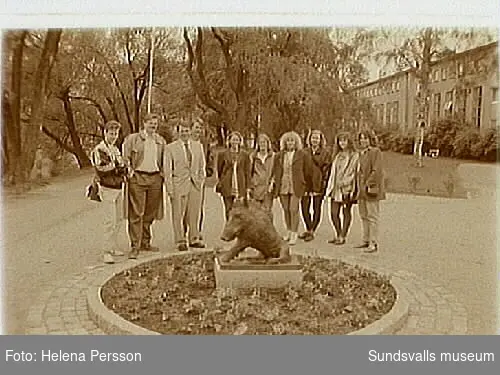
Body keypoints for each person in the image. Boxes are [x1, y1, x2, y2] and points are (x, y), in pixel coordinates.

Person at [122, 113, 167, 259]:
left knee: (150, 212)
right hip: (138, 178)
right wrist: (129, 171)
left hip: (155, 178)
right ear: (144, 123)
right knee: (137, 212)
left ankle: (145, 242)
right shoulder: (133, 139)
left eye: (155, 124)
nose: (153, 126)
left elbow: (165, 159)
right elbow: (125, 157)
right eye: (150, 123)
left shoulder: (160, 141)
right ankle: (135, 246)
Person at [165, 120, 206, 252]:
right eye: (182, 131)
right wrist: (170, 188)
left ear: (190, 131)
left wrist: (200, 180)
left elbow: (202, 166)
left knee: (194, 213)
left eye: (187, 130)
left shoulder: (197, 146)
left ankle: (194, 238)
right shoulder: (170, 148)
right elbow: (167, 170)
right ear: (178, 132)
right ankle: (180, 240)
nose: (185, 133)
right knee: (178, 214)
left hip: (195, 184)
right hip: (179, 185)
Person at [90, 120, 127, 264]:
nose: (113, 136)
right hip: (107, 188)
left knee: (119, 218)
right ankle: (106, 251)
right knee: (109, 220)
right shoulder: (100, 149)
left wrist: (119, 167)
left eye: (115, 133)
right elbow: (102, 168)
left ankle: (112, 246)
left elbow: (122, 166)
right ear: (105, 133)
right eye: (111, 133)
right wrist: (117, 167)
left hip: (118, 187)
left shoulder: (115, 149)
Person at [271, 131, 307, 245]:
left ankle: (294, 233)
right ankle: (289, 230)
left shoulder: (301, 154)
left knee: (293, 209)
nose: (290, 143)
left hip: (296, 185)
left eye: (292, 141)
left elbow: (307, 170)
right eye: (288, 141)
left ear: (296, 142)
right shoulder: (279, 155)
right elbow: (275, 170)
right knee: (285, 209)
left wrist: (304, 183)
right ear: (284, 143)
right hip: (283, 185)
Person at [325, 131, 360, 245]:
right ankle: (338, 233)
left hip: (347, 188)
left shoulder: (354, 155)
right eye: (340, 140)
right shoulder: (337, 155)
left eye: (344, 140)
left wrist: (345, 182)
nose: (342, 143)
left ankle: (343, 236)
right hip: (335, 188)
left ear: (349, 141)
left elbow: (354, 172)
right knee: (333, 213)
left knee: (346, 211)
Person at [354, 130, 386, 253]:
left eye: (365, 138)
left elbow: (377, 170)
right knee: (363, 215)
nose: (363, 141)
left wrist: (367, 183)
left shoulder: (375, 152)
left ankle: (374, 242)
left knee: (372, 216)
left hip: (371, 189)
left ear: (370, 139)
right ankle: (365, 239)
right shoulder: (360, 154)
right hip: (361, 190)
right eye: (361, 139)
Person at [182, 117, 213, 241]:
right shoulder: (184, 142)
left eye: (200, 128)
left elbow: (209, 159)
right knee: (184, 208)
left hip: (198, 180)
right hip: (184, 180)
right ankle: (183, 232)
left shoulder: (204, 144)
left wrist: (206, 173)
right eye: (196, 127)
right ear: (190, 129)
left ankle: (196, 232)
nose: (198, 130)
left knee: (198, 207)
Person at [299, 129, 331, 242]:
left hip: (318, 183)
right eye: (313, 138)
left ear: (320, 140)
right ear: (309, 139)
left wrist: (324, 184)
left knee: (316, 208)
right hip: (306, 184)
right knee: (304, 207)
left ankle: (312, 230)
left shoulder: (325, 153)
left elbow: (327, 169)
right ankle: (308, 228)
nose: (315, 140)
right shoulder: (304, 152)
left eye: (317, 138)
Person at [216, 131, 251, 221]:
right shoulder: (223, 154)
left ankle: (239, 229)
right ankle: (229, 228)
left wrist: (248, 187)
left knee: (240, 209)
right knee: (228, 208)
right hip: (227, 185)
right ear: (229, 141)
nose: (235, 142)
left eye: (237, 140)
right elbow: (219, 169)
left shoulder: (245, 155)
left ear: (240, 141)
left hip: (240, 184)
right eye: (233, 139)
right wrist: (222, 180)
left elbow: (247, 171)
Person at [248, 133, 275, 218]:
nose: (262, 145)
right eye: (261, 142)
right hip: (256, 188)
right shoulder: (253, 156)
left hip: (268, 189)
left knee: (266, 212)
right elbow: (249, 172)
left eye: (264, 142)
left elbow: (275, 172)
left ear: (268, 144)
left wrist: (272, 183)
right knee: (255, 212)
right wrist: (249, 186)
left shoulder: (273, 156)